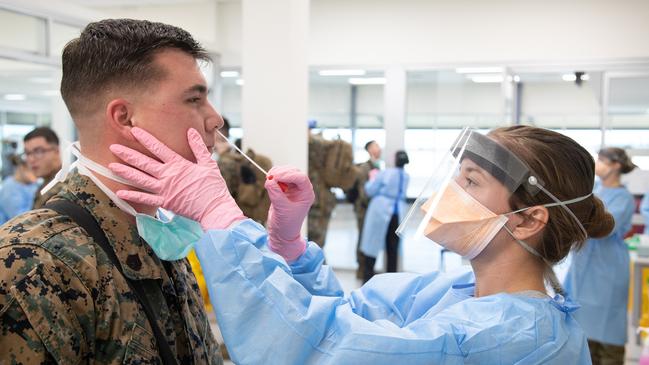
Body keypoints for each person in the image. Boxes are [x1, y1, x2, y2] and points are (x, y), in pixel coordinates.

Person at [109, 125, 613, 364]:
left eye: (472, 181)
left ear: (527, 221)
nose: (446, 193)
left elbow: (325, 350)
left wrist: (222, 220)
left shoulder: (510, 336)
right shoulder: (458, 293)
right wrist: (287, 246)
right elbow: (347, 316)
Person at [0, 19, 222, 364]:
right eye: (194, 99)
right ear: (125, 117)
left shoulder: (160, 233)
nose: (215, 119)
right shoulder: (33, 262)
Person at [564, 147, 636, 364]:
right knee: (580, 327)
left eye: (602, 160)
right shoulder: (593, 190)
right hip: (582, 263)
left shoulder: (623, 198)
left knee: (607, 326)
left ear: (616, 165)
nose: (598, 164)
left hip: (608, 267)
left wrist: (572, 217)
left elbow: (605, 227)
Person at [360, 150, 409, 283]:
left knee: (372, 242)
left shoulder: (385, 173)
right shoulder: (406, 176)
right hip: (397, 213)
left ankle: (367, 276)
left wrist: (371, 179)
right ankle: (390, 280)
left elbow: (370, 190)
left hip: (380, 210)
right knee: (392, 247)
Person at [214, 117, 272, 225]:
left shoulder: (226, 161)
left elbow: (222, 197)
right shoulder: (261, 160)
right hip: (254, 220)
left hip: (236, 220)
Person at [308, 126, 357, 247]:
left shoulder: (316, 147)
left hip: (318, 202)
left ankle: (316, 265)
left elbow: (313, 141)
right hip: (322, 200)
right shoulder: (325, 148)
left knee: (315, 241)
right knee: (316, 241)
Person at [347, 140, 382, 278]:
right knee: (363, 237)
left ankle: (367, 268)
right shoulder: (365, 167)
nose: (379, 148)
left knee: (369, 237)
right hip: (364, 210)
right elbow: (363, 192)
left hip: (371, 209)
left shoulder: (377, 166)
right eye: (376, 146)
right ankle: (361, 269)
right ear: (369, 149)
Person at [23, 127, 63, 208]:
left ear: (56, 151)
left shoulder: (64, 188)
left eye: (38, 151)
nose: (31, 159)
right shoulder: (47, 185)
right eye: (27, 153)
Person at [0, 155, 38, 224]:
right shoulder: (9, 188)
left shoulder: (32, 185)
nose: (37, 175)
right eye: (33, 170)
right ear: (22, 168)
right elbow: (19, 219)